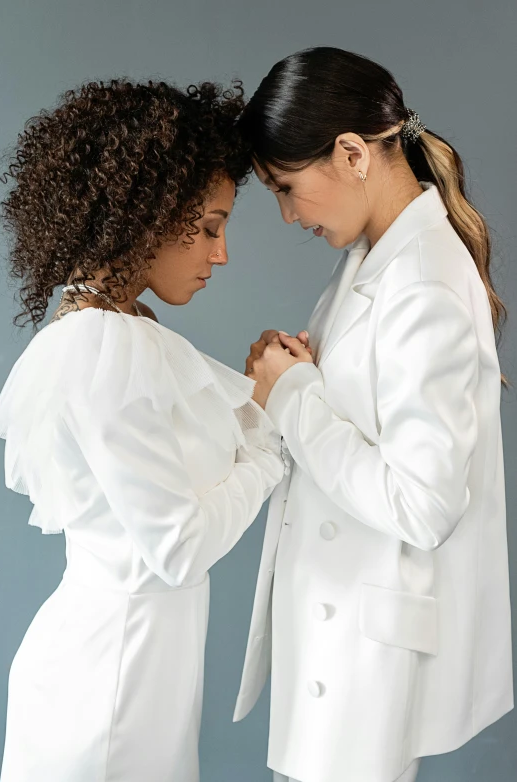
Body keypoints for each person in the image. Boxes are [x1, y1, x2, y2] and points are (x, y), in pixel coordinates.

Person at [0, 78, 287, 782]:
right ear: (147, 213)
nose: (221, 255)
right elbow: (179, 546)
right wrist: (272, 437)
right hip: (109, 690)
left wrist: (261, 405)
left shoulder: (119, 331)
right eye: (210, 226)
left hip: (135, 674)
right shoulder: (103, 348)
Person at [235, 47, 513, 782]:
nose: (288, 214)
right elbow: (355, 411)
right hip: (337, 629)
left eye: (287, 187)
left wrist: (296, 394)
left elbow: (423, 505)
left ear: (352, 153)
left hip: (364, 651)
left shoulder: (422, 279)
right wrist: (294, 373)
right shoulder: (373, 257)